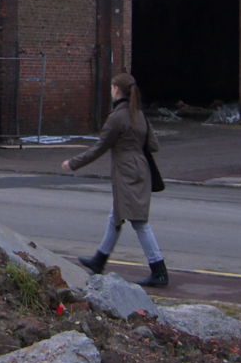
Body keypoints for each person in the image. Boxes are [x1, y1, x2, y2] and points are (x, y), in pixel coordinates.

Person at [61, 72, 168, 287]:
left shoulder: (117, 117)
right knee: (116, 218)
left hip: (127, 172)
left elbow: (100, 147)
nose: (111, 91)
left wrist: (73, 163)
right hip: (141, 169)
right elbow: (154, 145)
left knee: (139, 223)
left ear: (117, 90)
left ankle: (159, 270)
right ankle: (99, 260)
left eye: (112, 88)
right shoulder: (139, 114)